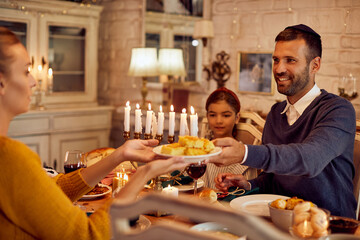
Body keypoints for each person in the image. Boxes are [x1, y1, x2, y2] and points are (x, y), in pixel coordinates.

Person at [0, 27, 187, 239]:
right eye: (26, 71)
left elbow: (56, 190)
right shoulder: (10, 157)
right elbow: (89, 235)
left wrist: (120, 154)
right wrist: (145, 173)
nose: (34, 81)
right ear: (1, 82)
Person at [209, 24, 357, 218]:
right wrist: (249, 184)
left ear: (315, 65)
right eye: (276, 60)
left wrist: (244, 153)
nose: (279, 69)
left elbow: (309, 160)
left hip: (329, 226)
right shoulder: (276, 113)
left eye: (290, 60)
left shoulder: (338, 110)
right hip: (280, 222)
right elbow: (274, 179)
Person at [200, 87, 256, 189]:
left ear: (237, 118)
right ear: (207, 116)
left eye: (226, 115)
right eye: (212, 115)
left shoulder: (245, 159)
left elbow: (248, 193)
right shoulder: (200, 153)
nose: (218, 121)